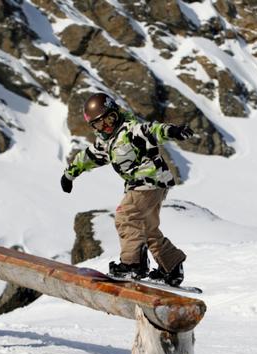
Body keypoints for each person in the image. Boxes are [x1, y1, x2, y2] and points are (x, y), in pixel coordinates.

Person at [60, 92, 194, 287]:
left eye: (110, 119)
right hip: (149, 186)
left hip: (147, 182)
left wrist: (172, 131)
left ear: (116, 113)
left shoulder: (130, 130)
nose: (107, 126)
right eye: (99, 124)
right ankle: (171, 267)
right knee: (147, 228)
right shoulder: (105, 143)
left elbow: (152, 130)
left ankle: (133, 265)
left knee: (126, 216)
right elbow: (87, 157)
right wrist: (69, 175)